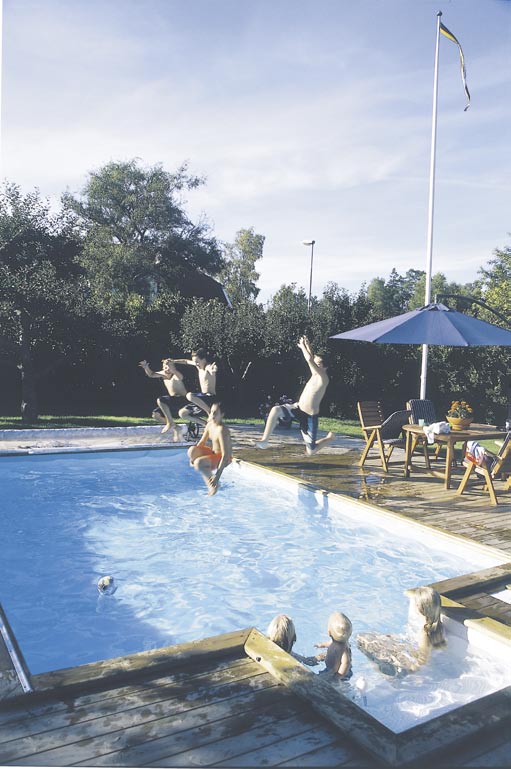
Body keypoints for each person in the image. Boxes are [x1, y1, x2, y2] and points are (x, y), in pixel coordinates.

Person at [255, 336, 334, 455]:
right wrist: (308, 345)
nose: (315, 365)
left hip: (309, 418)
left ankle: (329, 438)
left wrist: (302, 347)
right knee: (275, 410)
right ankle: (264, 441)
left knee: (311, 451)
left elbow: (310, 360)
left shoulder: (323, 378)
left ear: (325, 367)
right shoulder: (315, 374)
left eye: (318, 364)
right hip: (298, 408)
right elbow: (311, 359)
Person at [357, 586, 446, 677]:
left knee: (364, 642)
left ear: (420, 608)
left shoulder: (425, 634)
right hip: (411, 652)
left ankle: (379, 672)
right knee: (375, 639)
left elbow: (421, 663)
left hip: (410, 667)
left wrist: (401, 663)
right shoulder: (437, 625)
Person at [188, 402, 232, 495]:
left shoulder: (222, 430)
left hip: (224, 458)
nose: (212, 415)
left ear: (222, 415)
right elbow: (201, 443)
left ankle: (213, 486)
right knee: (192, 450)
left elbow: (225, 455)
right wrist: (193, 455)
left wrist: (217, 476)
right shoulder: (210, 425)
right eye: (211, 412)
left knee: (199, 463)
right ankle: (203, 466)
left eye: (215, 413)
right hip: (213, 453)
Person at [139, 358, 187, 440]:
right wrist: (146, 367)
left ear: (173, 368)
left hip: (182, 400)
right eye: (165, 367)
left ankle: (170, 423)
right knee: (156, 415)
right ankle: (176, 428)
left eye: (169, 367)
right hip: (172, 401)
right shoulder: (163, 374)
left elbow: (181, 377)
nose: (166, 369)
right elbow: (151, 374)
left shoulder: (176, 375)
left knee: (161, 400)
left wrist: (173, 368)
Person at [171, 349, 218, 426]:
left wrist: (214, 370)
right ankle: (206, 424)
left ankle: (209, 412)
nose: (196, 364)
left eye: (197, 361)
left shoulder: (208, 367)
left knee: (189, 395)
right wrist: (174, 361)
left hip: (210, 397)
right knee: (182, 413)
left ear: (204, 360)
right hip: (202, 399)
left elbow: (212, 368)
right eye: (194, 362)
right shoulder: (198, 367)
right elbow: (185, 361)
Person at [315, 611, 353, 679]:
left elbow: (346, 663)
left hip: (339, 673)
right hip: (331, 669)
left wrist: (339, 676)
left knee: (318, 679)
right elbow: (329, 644)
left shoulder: (343, 648)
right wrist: (321, 645)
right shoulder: (334, 641)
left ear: (329, 633)